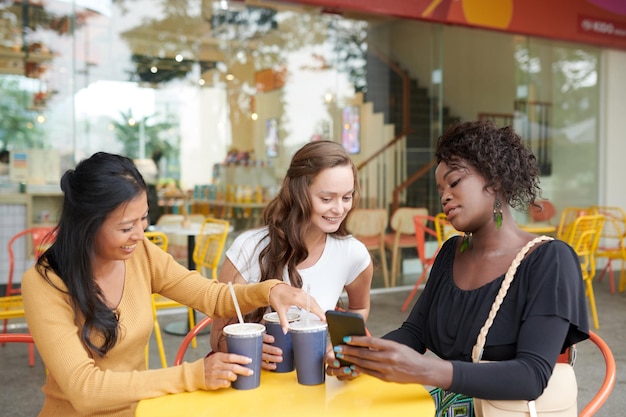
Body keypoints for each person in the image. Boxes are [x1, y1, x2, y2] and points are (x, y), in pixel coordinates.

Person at [21, 152, 325, 417]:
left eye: (144, 220)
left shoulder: (140, 255)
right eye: (126, 227)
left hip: (144, 410)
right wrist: (192, 375)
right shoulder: (45, 283)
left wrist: (269, 290)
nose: (140, 235)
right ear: (86, 226)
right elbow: (84, 389)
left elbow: (211, 295)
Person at [325, 120, 589, 413]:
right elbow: (415, 333)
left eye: (454, 182)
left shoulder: (549, 260)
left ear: (496, 180)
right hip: (450, 406)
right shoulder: (452, 252)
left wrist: (424, 370)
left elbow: (532, 376)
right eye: (440, 190)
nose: (445, 197)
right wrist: (366, 356)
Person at [210, 140, 373, 370]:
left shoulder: (353, 254)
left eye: (347, 197)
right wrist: (247, 349)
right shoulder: (248, 249)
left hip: (313, 384)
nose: (339, 209)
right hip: (254, 384)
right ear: (299, 193)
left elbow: (359, 309)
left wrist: (340, 343)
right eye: (326, 199)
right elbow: (217, 336)